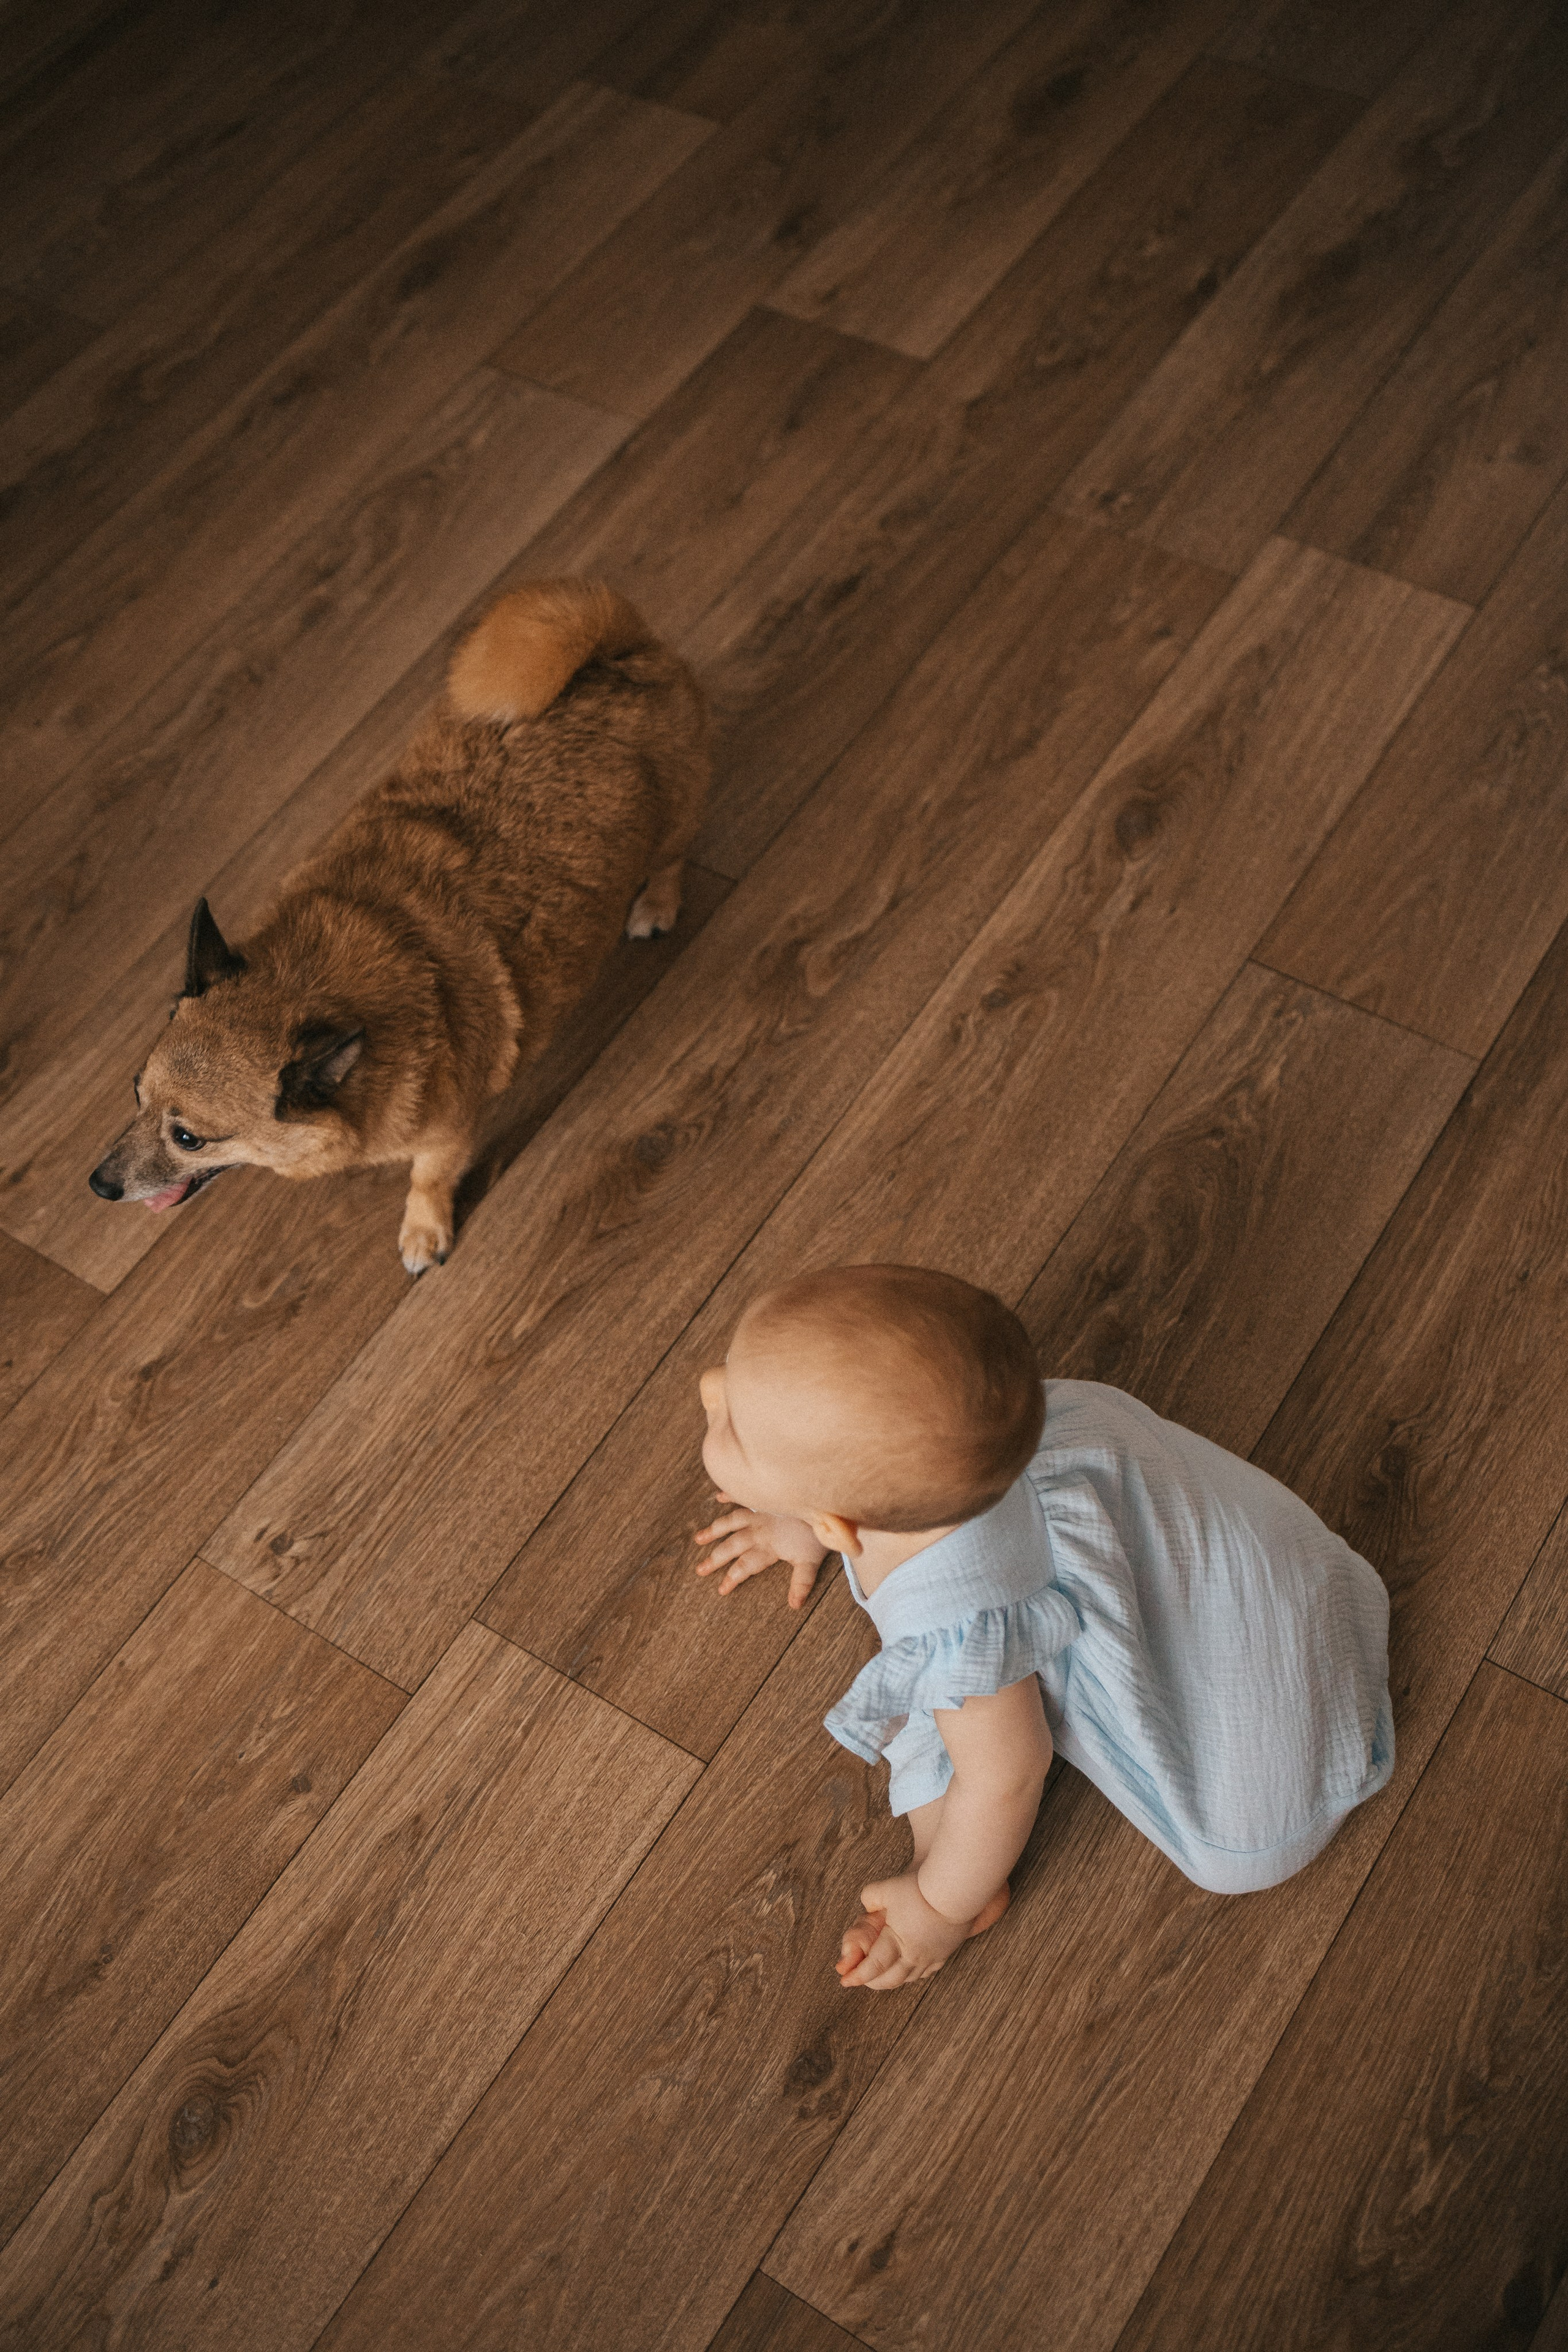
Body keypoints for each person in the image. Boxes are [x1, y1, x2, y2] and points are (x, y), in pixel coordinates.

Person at [693, 1264, 1394, 1992]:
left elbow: (1007, 1776)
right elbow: (840, 1493)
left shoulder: (959, 1623)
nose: (710, 1385)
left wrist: (935, 1907)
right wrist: (795, 1521)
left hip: (1218, 1673)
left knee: (940, 1735)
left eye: (734, 1424)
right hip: (1150, 1532)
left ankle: (966, 1887)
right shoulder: (966, 1440)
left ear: (836, 1521)